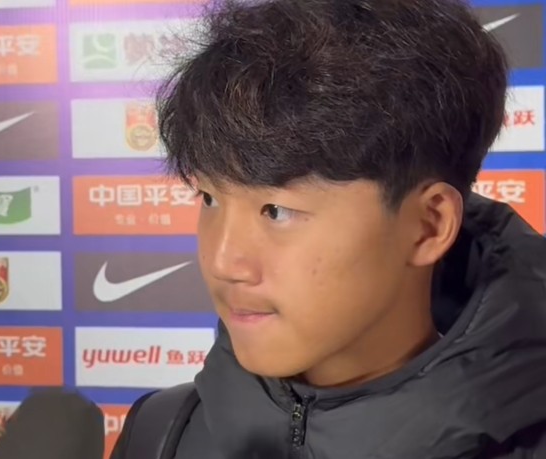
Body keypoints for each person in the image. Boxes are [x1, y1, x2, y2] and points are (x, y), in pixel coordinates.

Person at [114, 0, 546, 457]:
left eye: (276, 211)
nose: (223, 261)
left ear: (427, 227)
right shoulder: (161, 434)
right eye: (210, 199)